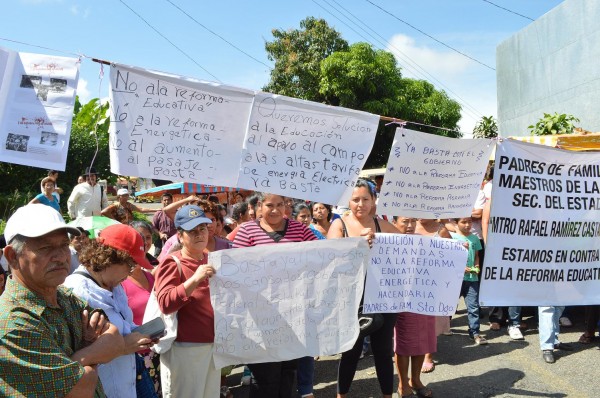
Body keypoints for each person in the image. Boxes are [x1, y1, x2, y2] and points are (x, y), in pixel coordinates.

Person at [0, 204, 131, 396]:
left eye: (63, 245)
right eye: (45, 248)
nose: (61, 257)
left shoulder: (63, 296)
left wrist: (78, 360)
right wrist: (91, 354)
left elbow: (116, 341)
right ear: (12, 256)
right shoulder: (13, 324)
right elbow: (81, 389)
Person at [233, 193, 317, 398]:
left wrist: (358, 245)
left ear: (287, 205)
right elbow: (234, 267)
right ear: (259, 206)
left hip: (292, 317)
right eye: (269, 205)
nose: (275, 210)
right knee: (264, 377)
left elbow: (323, 253)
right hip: (260, 318)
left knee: (288, 373)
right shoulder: (246, 230)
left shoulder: (299, 229)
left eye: (280, 204)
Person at [63, 223, 157, 398]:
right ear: (110, 257)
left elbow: (124, 324)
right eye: (129, 265)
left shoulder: (115, 286)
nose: (130, 272)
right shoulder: (76, 292)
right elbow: (73, 358)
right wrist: (123, 346)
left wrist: (140, 335)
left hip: (127, 384)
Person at [327, 179, 400, 398]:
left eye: (365, 199)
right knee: (350, 350)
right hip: (351, 298)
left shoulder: (382, 225)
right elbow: (330, 254)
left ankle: (388, 394)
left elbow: (408, 246)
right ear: (348, 201)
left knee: (383, 351)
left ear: (374, 200)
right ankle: (342, 395)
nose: (360, 204)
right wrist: (356, 245)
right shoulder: (339, 224)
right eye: (355, 199)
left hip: (383, 297)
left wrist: (453, 245)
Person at [154, 205, 219, 397]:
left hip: (213, 345)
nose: (199, 234)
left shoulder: (212, 259)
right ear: (180, 236)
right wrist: (195, 279)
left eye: (203, 229)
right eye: (192, 231)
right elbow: (165, 303)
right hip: (185, 348)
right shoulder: (172, 262)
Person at [392, 216, 435, 398]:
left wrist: (459, 250)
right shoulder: (388, 241)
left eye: (412, 221)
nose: (409, 226)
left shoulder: (424, 241)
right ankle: (403, 384)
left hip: (423, 297)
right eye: (404, 222)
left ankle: (415, 380)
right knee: (404, 342)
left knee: (422, 341)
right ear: (395, 222)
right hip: (401, 300)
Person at [123, 220, 162, 395]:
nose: (144, 242)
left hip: (158, 351)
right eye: (139, 237)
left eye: (147, 237)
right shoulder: (118, 279)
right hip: (134, 356)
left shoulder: (152, 275)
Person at [451, 217, 487, 346]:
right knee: (450, 304)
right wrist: (460, 266)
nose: (467, 225)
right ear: (456, 223)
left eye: (469, 222)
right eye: (463, 222)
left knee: (473, 307)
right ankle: (444, 327)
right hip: (455, 278)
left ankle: (475, 332)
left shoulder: (475, 238)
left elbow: (476, 256)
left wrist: (476, 266)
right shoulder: (451, 237)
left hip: (471, 278)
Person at [152, 193, 177, 257]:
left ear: (172, 201)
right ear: (162, 201)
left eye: (168, 200)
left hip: (175, 241)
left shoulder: (177, 213)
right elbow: (153, 227)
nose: (167, 202)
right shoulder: (158, 213)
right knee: (157, 259)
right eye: (165, 200)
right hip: (161, 241)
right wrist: (160, 234)